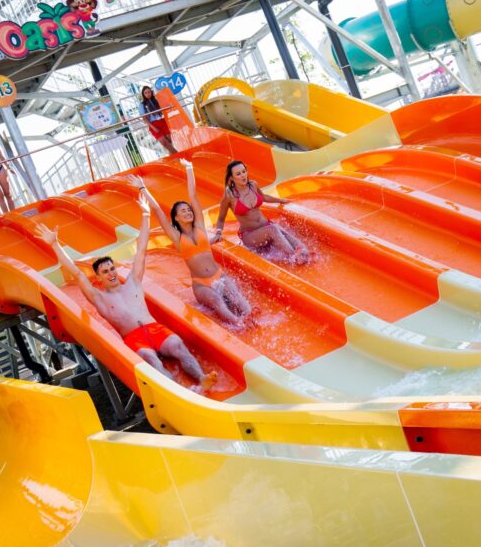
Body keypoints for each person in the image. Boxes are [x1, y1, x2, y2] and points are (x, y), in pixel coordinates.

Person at [35, 194, 218, 392]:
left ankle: (202, 378)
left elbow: (140, 249)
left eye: (112, 269)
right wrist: (55, 245)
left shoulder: (133, 282)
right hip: (134, 338)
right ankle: (182, 392)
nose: (111, 273)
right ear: (98, 278)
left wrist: (146, 216)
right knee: (151, 360)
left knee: (178, 345)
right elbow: (77, 274)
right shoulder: (99, 297)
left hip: (155, 328)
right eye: (105, 272)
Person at [135, 160, 252, 328]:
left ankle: (250, 317)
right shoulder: (176, 236)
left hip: (219, 276)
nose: (188, 211)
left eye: (188, 209)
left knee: (237, 299)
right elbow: (158, 211)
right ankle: (238, 323)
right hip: (201, 285)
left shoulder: (200, 227)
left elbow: (193, 196)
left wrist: (189, 168)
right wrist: (142, 188)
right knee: (219, 302)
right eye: (183, 210)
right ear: (176, 218)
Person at [212, 160, 310, 264]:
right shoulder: (229, 196)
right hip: (250, 235)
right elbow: (221, 219)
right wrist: (218, 233)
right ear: (231, 178)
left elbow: (263, 197)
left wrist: (280, 200)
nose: (243, 176)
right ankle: (293, 257)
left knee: (299, 245)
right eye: (238, 174)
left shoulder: (253, 185)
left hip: (266, 226)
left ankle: (302, 253)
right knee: (273, 229)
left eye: (244, 171)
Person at [140, 86, 177, 155]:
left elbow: (164, 106)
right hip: (154, 124)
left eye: (149, 92)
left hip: (163, 121)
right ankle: (179, 155)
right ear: (143, 94)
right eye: (146, 93)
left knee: (169, 141)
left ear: (151, 92)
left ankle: (175, 159)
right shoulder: (142, 105)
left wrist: (170, 104)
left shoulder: (157, 100)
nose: (148, 94)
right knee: (164, 143)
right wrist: (153, 127)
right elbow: (144, 118)